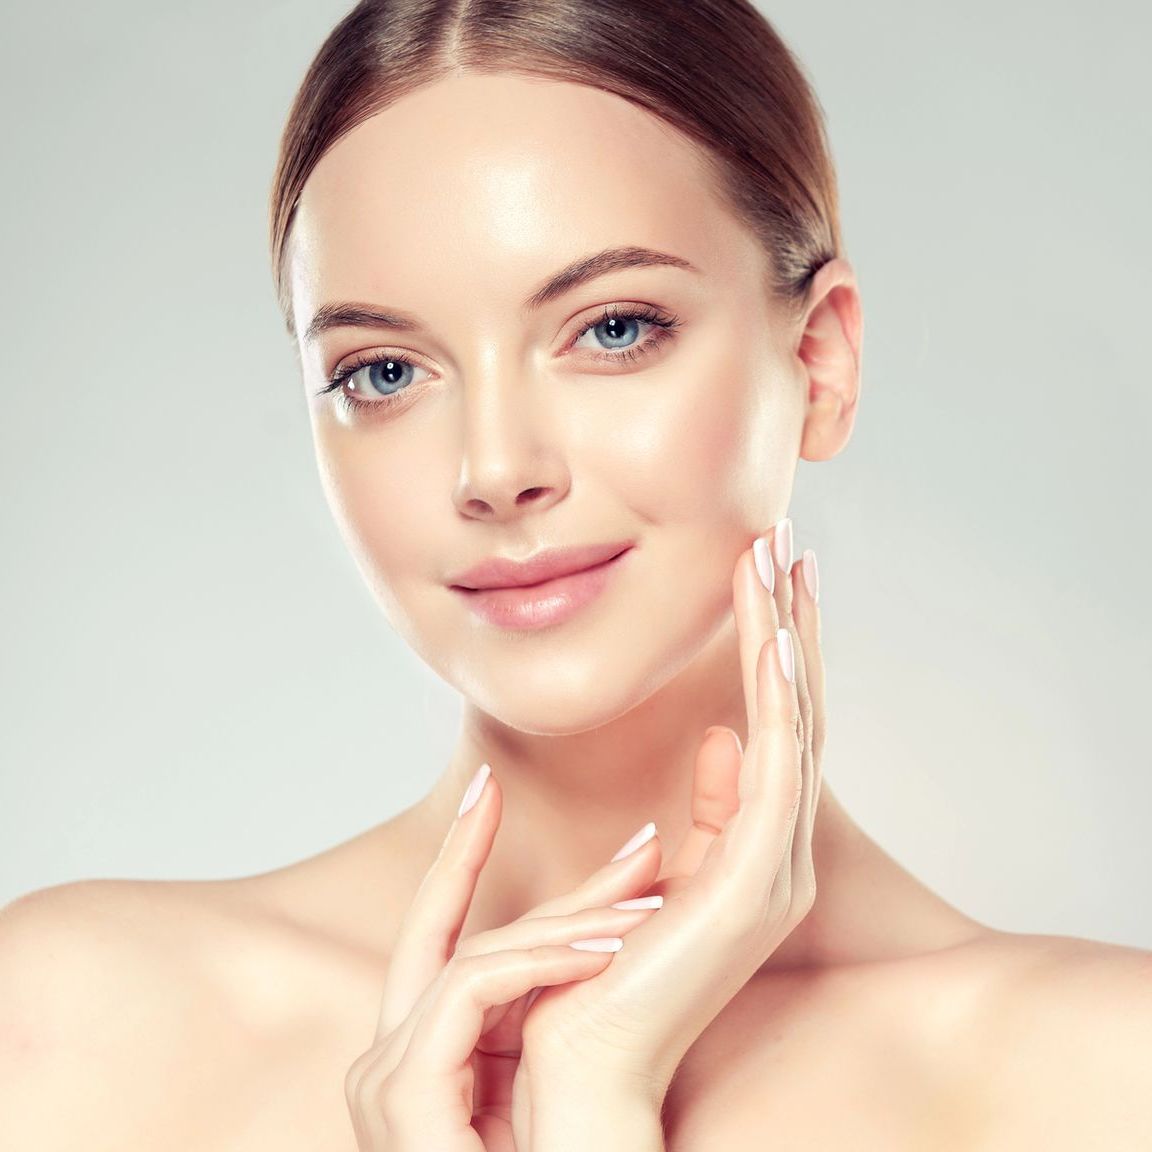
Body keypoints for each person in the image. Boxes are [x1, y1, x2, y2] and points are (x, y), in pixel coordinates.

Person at [3, 1, 1150, 1149]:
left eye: (612, 328)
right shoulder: (74, 1026)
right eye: (386, 369)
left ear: (821, 359)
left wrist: (597, 1094)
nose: (496, 469)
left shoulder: (1100, 1076)